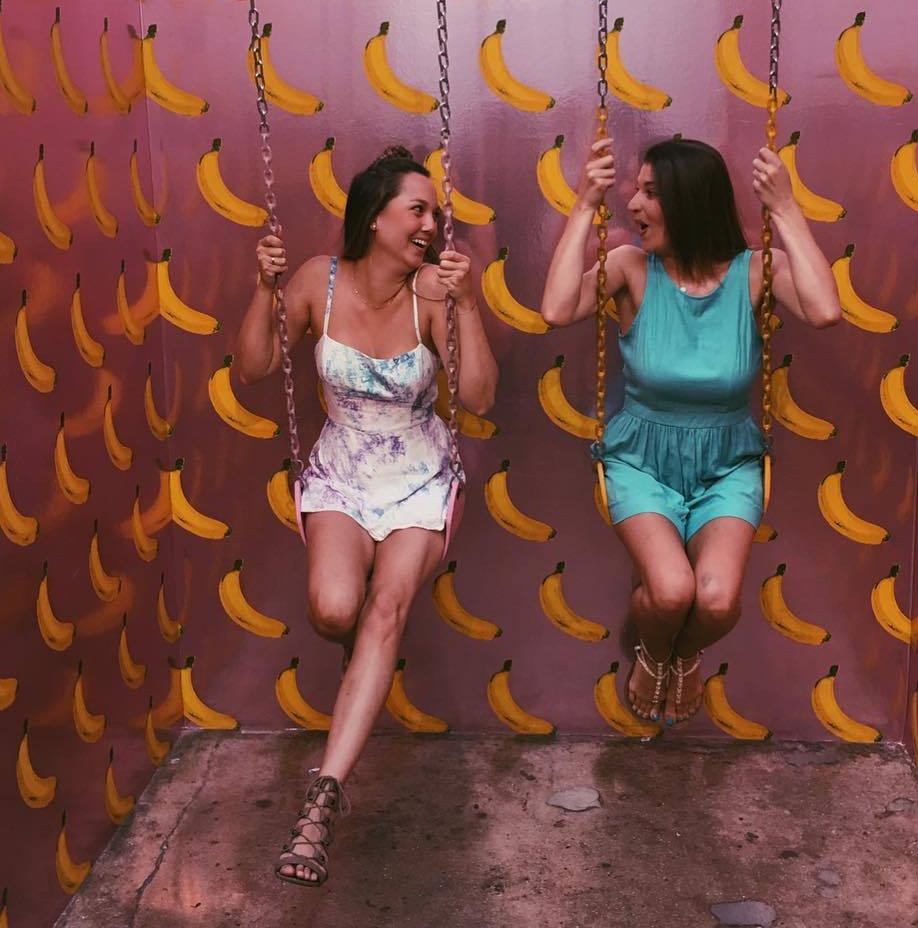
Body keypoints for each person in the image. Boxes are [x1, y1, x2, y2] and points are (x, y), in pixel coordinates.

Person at [234, 146, 498, 887]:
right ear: (375, 217)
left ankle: (321, 804)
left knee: (386, 609)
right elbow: (253, 366)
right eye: (418, 210)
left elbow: (478, 397)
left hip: (419, 477)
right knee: (334, 609)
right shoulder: (316, 281)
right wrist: (263, 288)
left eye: (434, 213)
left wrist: (468, 305)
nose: (431, 225)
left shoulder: (432, 294)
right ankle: (365, 671)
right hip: (341, 473)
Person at [540, 136, 841, 728]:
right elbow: (556, 310)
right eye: (635, 190)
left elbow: (825, 311)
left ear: (691, 201)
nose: (634, 204)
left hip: (728, 463)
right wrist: (584, 205)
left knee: (718, 601)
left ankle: (681, 652)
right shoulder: (630, 268)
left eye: (651, 193)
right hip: (640, 460)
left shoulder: (755, 272)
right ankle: (655, 655)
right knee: (672, 591)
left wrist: (784, 208)